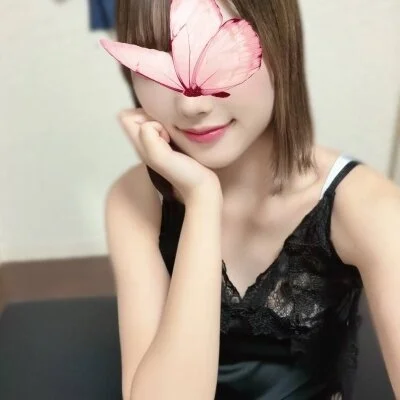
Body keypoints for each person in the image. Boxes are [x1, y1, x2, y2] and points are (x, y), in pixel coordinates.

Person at [104, 0, 400, 399]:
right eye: (157, 62)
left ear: (281, 48)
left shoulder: (369, 206)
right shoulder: (136, 198)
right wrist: (202, 200)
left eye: (220, 53)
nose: (192, 103)